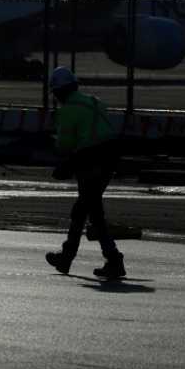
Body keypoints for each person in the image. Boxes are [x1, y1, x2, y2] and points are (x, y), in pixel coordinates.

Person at [45, 66, 126, 279]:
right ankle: (68, 257)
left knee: (88, 210)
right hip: (109, 158)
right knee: (88, 207)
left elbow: (65, 146)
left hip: (90, 160)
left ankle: (113, 259)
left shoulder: (68, 111)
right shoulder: (95, 102)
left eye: (55, 93)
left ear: (60, 91)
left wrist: (55, 141)